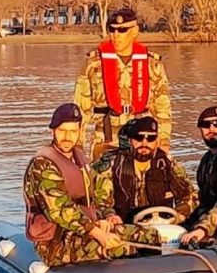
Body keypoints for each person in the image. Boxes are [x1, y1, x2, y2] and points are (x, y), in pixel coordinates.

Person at [23, 103, 160, 267]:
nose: (67, 137)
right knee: (123, 247)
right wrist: (98, 234)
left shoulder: (80, 159)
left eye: (73, 131)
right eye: (62, 131)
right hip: (55, 243)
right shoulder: (43, 164)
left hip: (87, 230)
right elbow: (59, 211)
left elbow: (94, 197)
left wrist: (107, 216)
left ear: (80, 131)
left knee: (150, 236)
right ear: (53, 131)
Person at [73, 8, 171, 162]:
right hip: (105, 139)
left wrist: (164, 142)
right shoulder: (93, 63)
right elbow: (81, 107)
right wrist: (77, 146)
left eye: (122, 30)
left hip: (142, 140)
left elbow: (163, 107)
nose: (116, 35)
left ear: (134, 32)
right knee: (101, 183)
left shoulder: (152, 64)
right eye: (112, 30)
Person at [94, 116, 198, 225]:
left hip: (164, 225)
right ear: (130, 140)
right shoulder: (113, 164)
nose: (144, 143)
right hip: (125, 227)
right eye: (139, 138)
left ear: (157, 142)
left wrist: (180, 214)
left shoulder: (167, 163)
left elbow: (189, 195)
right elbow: (100, 200)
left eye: (150, 139)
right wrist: (110, 215)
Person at [181, 106, 217, 230]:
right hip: (207, 221)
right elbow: (205, 203)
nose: (211, 129)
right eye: (206, 125)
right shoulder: (206, 161)